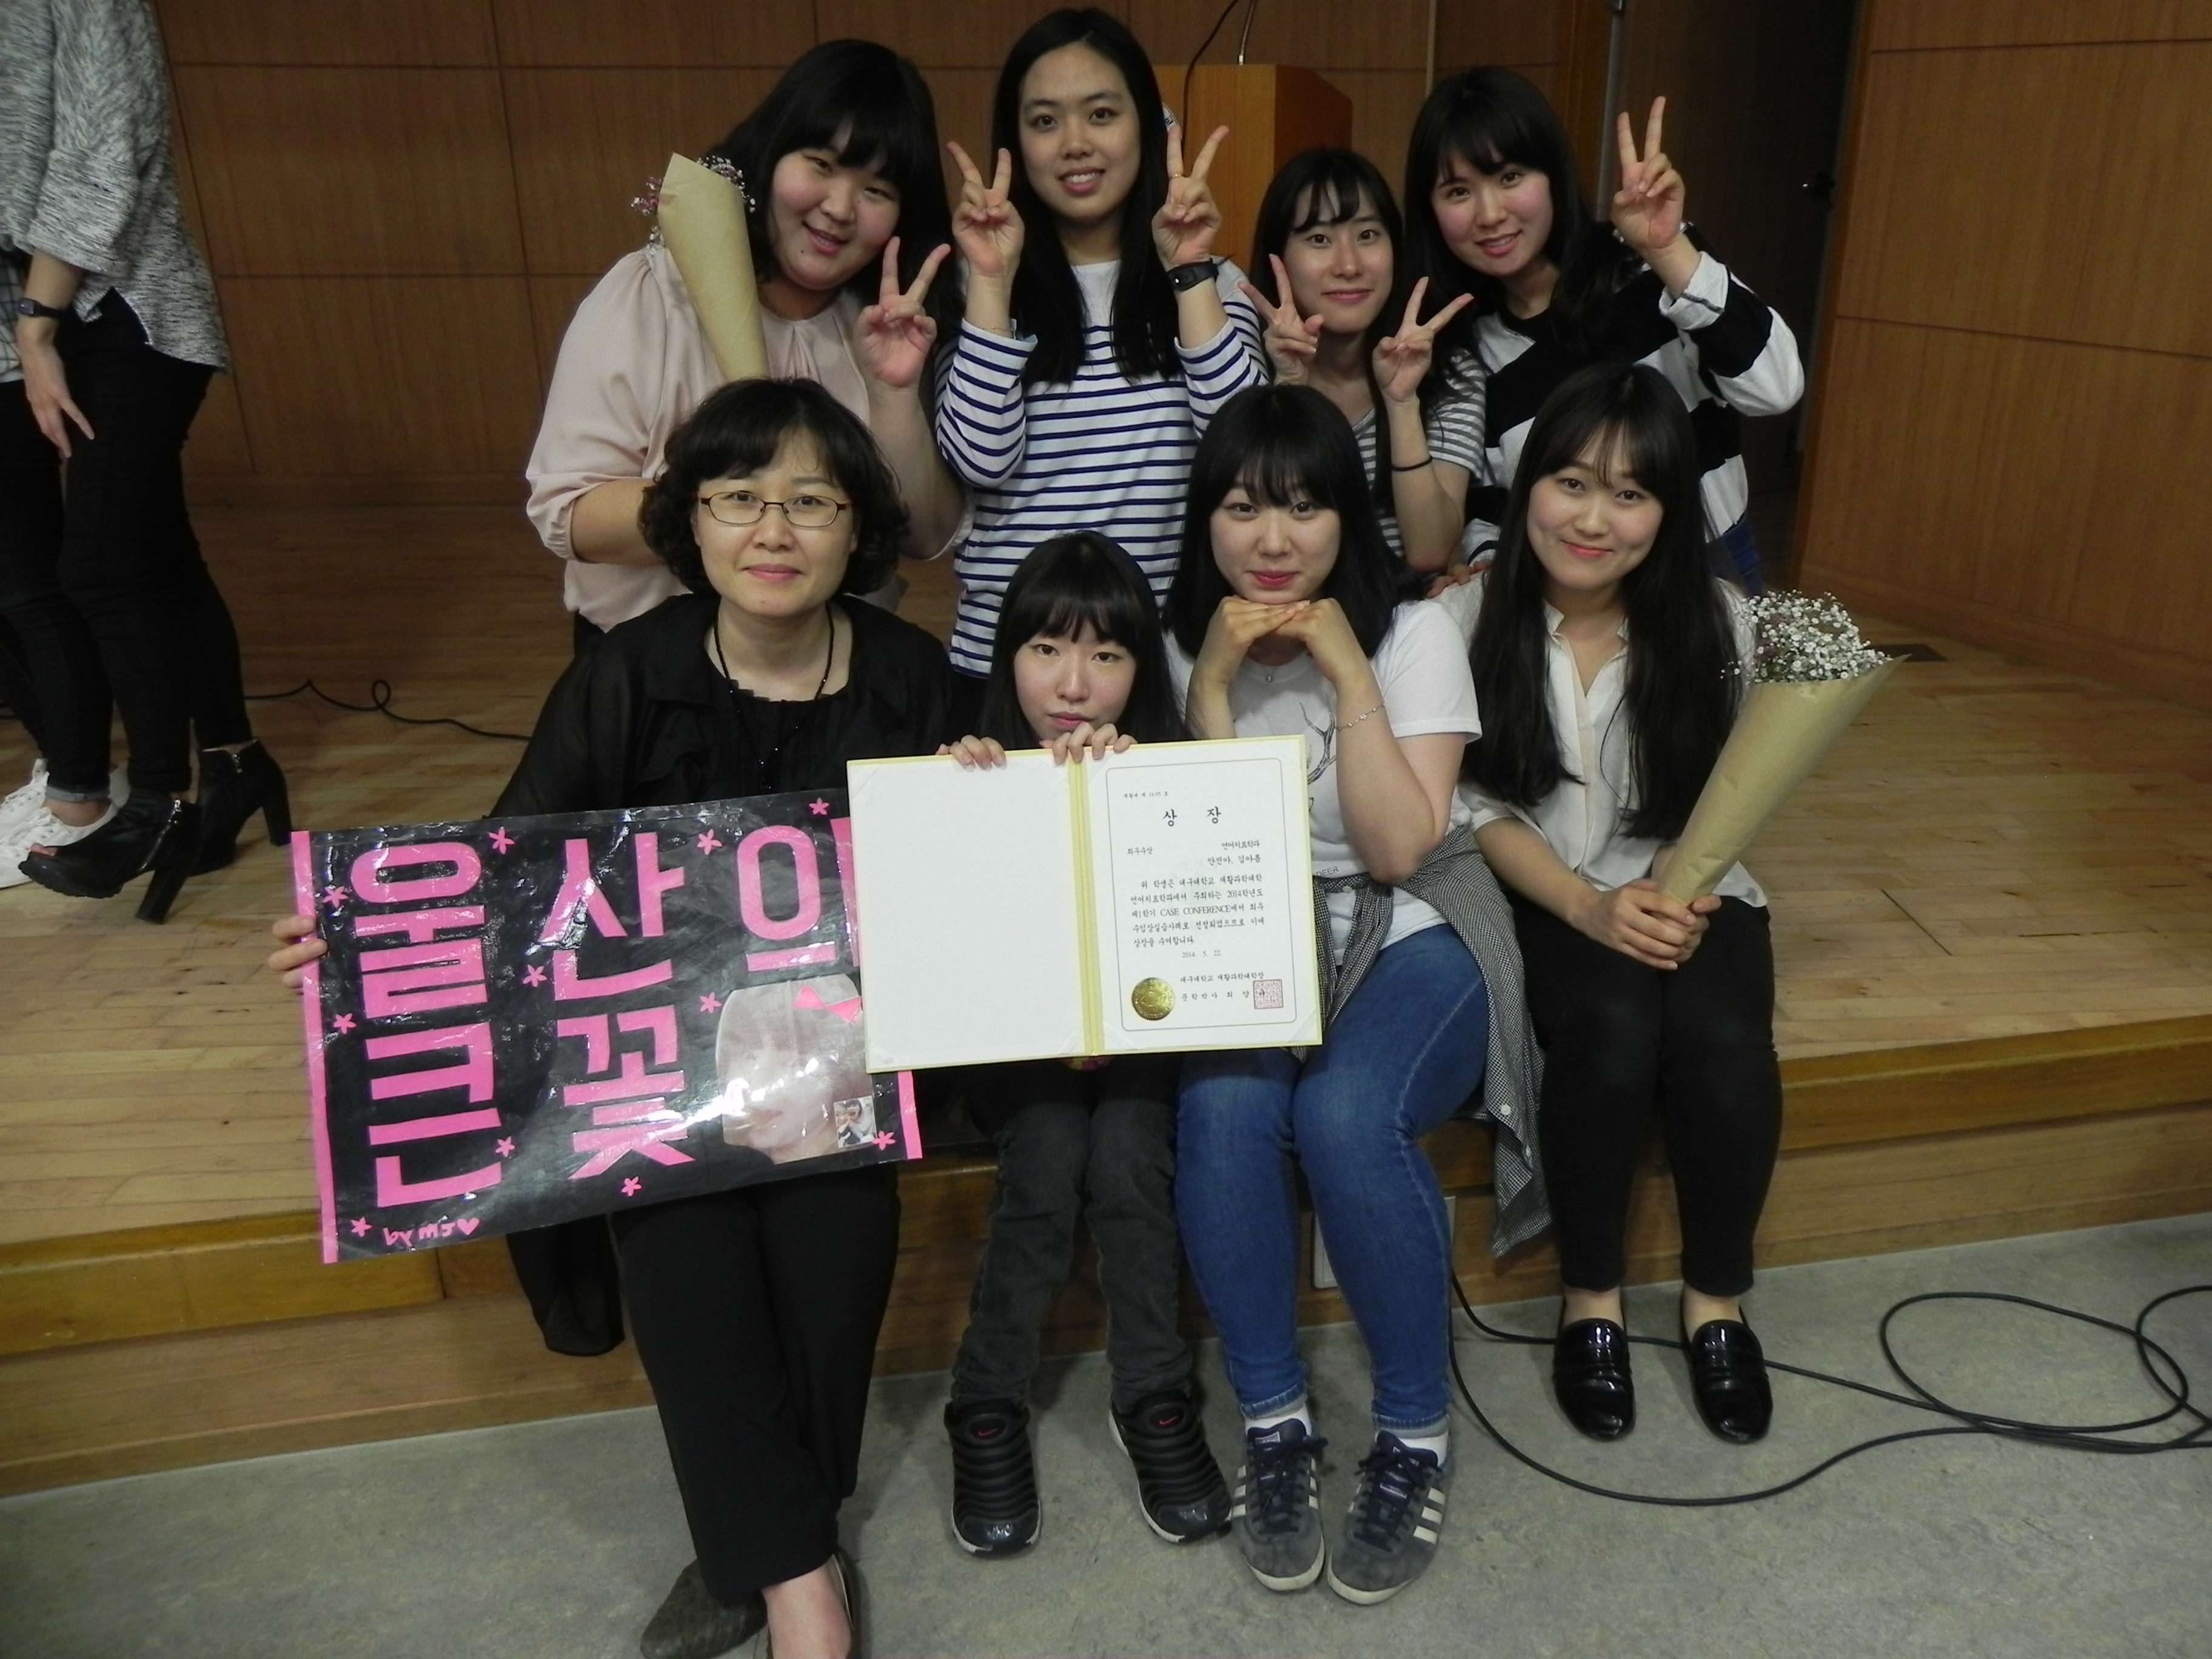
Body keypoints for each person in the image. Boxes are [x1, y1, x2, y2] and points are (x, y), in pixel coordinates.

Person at [272, 379, 956, 1659]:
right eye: (737, 497)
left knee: (836, 1258)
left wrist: (1001, 781)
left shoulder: (918, 680)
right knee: (683, 1259)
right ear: (689, 522)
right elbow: (503, 865)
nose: (772, 529)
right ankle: (800, 1581)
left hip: (837, 1071)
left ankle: (764, 1540)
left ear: (857, 527)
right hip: (650, 1075)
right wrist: (355, 940)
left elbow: (986, 872)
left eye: (810, 501)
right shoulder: (626, 674)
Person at [1160, 384, 1541, 1606]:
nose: (1273, 540)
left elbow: (1394, 848)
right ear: (1205, 519)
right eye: (1242, 507)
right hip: (1248, 926)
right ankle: (1273, 1424)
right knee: (1223, 1108)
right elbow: (1203, 862)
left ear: (1347, 518)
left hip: (1414, 917)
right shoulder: (1176, 637)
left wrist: (1345, 673)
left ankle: (1414, 1432)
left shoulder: (1412, 631)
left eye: (1305, 507)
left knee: (1343, 1113)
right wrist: (1210, 694)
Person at [1460, 363, 1780, 1448]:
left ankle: (1716, 1304)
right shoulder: (1464, 616)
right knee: (1607, 1028)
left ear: (1668, 510)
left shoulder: (1720, 623)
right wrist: (1588, 908)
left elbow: (1744, 782)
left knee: (1722, 1036)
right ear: (1529, 487)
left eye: (1630, 493)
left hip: (1692, 886)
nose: (1594, 520)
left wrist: (1681, 884)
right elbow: (1469, 806)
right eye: (1572, 483)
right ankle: (1589, 1298)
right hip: (1545, 893)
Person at [930, 531, 1228, 1559]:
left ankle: (1153, 1391)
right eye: (1046, 649)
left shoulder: (1159, 767)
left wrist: (1146, 794)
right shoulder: (968, 763)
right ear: (1006, 654)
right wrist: (957, 795)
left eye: (1106, 654)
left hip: (1140, 1035)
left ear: (1141, 669)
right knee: (1051, 1154)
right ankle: (987, 1399)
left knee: (1132, 1154)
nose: (1072, 684)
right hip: (1013, 1048)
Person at [529, 38, 964, 648]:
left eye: (877, 191)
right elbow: (568, 516)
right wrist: (739, 499)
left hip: (832, 663)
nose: (840, 208)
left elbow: (925, 537)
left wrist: (893, 399)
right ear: (771, 155)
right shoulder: (653, 295)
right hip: (653, 662)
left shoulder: (888, 328)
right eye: (821, 164)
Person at [2, 0, 286, 918]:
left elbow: (101, 154)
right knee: (157, 555)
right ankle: (236, 763)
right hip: (38, 322)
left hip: (126, 311)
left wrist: (37, 324)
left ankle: (161, 803)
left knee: (101, 569)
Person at [934, 6, 1267, 680]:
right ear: (1014, 143)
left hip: (1158, 666)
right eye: (1045, 121)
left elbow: (1246, 451)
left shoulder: (1213, 283)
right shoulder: (977, 286)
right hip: (1006, 668)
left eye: (1102, 114)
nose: (1075, 143)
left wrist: (1188, 271)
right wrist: (992, 281)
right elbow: (978, 461)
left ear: (1146, 125)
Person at [1403, 69, 1801, 590]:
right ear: (1431, 211)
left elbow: (1776, 388)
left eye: (1510, 178)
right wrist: (1487, 562)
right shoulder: (1468, 351)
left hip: (1710, 573)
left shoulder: (1647, 265)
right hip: (1574, 595)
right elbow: (1494, 507)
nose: (1490, 213)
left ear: (1552, 175)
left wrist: (1667, 251)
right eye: (1458, 191)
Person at [1242, 148, 1481, 575]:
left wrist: (1402, 403)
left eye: (1368, 235)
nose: (1349, 265)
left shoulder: (1447, 371)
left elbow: (1430, 554)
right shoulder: (1244, 369)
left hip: (1404, 611)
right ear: (1278, 258)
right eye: (1319, 239)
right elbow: (1261, 542)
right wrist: (1290, 387)